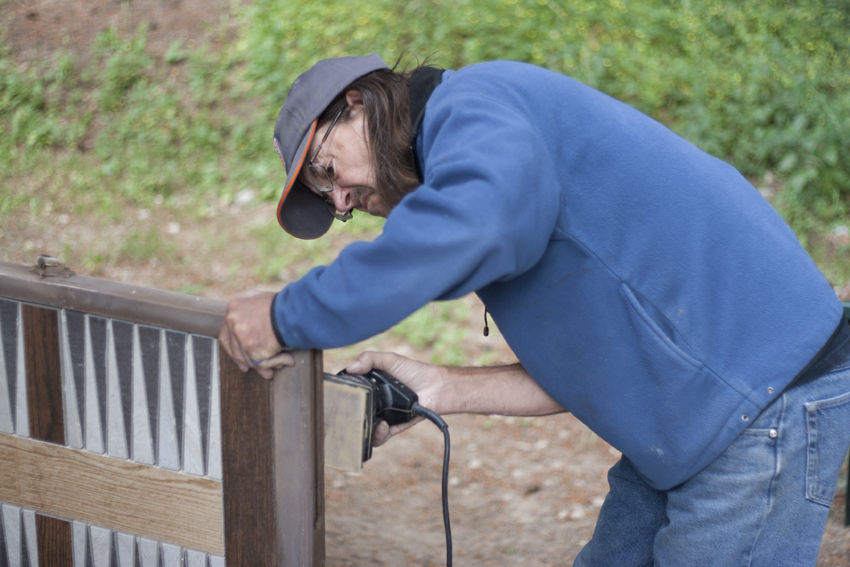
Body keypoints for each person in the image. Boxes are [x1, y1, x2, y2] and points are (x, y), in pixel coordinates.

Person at [218, 53, 850, 566]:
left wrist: (283, 314)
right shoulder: (472, 163)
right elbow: (593, 366)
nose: (342, 201)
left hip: (763, 405)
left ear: (355, 102)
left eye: (327, 172)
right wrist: (441, 388)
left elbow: (463, 231)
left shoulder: (473, 111)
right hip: (693, 413)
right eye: (330, 201)